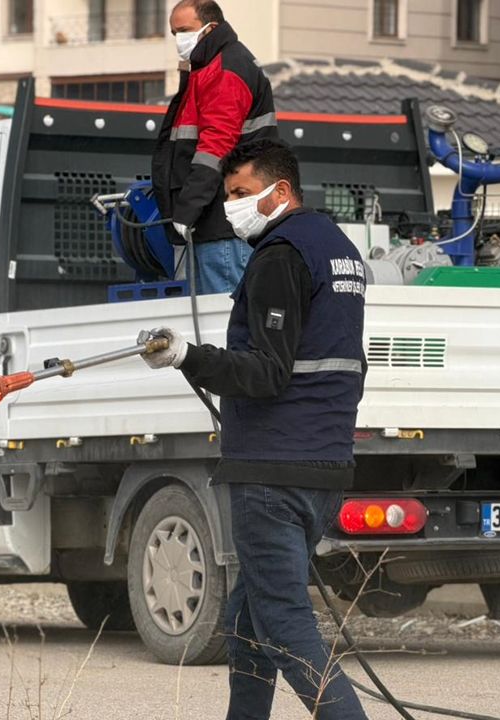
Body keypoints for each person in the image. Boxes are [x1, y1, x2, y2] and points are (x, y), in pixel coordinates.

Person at [141, 140, 369, 720]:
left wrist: (188, 357)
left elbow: (267, 372)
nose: (233, 206)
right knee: (247, 620)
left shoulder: (279, 256)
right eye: (228, 196)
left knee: (286, 625)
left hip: (273, 468)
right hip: (322, 461)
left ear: (280, 191)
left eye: (242, 194)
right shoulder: (337, 250)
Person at [152, 0, 278, 295]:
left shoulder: (224, 70)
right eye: (174, 33)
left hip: (220, 226)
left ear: (211, 27)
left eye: (184, 30)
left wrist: (187, 209)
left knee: (223, 321)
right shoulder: (213, 67)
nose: (179, 40)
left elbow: (215, 147)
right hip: (218, 223)